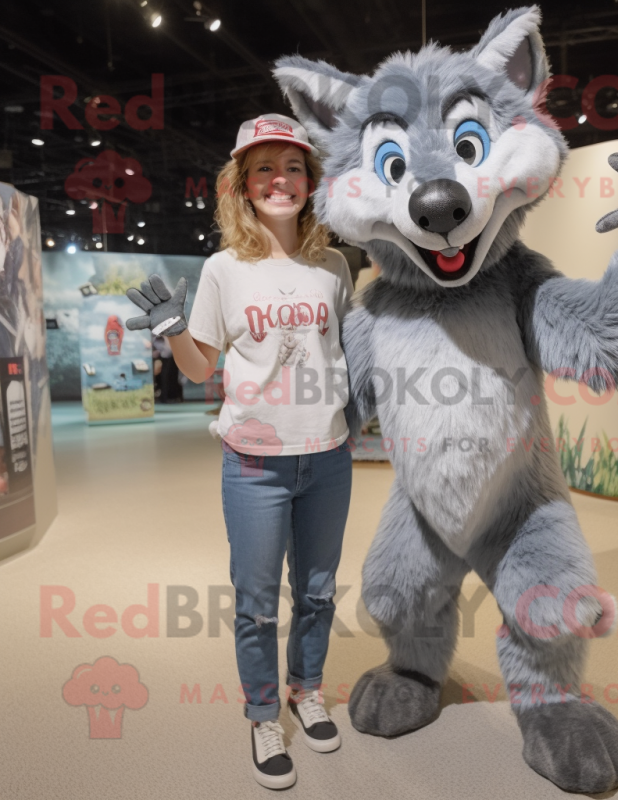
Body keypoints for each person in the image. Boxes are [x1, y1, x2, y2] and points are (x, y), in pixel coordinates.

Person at [125, 113, 354, 790]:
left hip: (329, 455)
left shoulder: (335, 265)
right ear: (243, 185)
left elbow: (348, 354)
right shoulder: (224, 269)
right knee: (256, 600)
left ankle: (305, 690)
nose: (278, 179)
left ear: (310, 182)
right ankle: (261, 713)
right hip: (253, 461)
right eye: (263, 168)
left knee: (316, 593)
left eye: (291, 167)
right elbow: (200, 370)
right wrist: (171, 330)